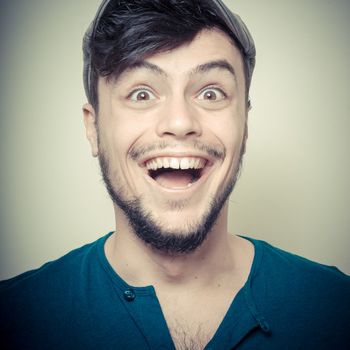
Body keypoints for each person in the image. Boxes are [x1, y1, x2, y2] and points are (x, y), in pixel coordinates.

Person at [1, 0, 349, 349]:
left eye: (211, 93)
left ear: (244, 126)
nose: (180, 123)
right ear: (93, 128)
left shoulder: (337, 308)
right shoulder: (15, 317)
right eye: (141, 93)